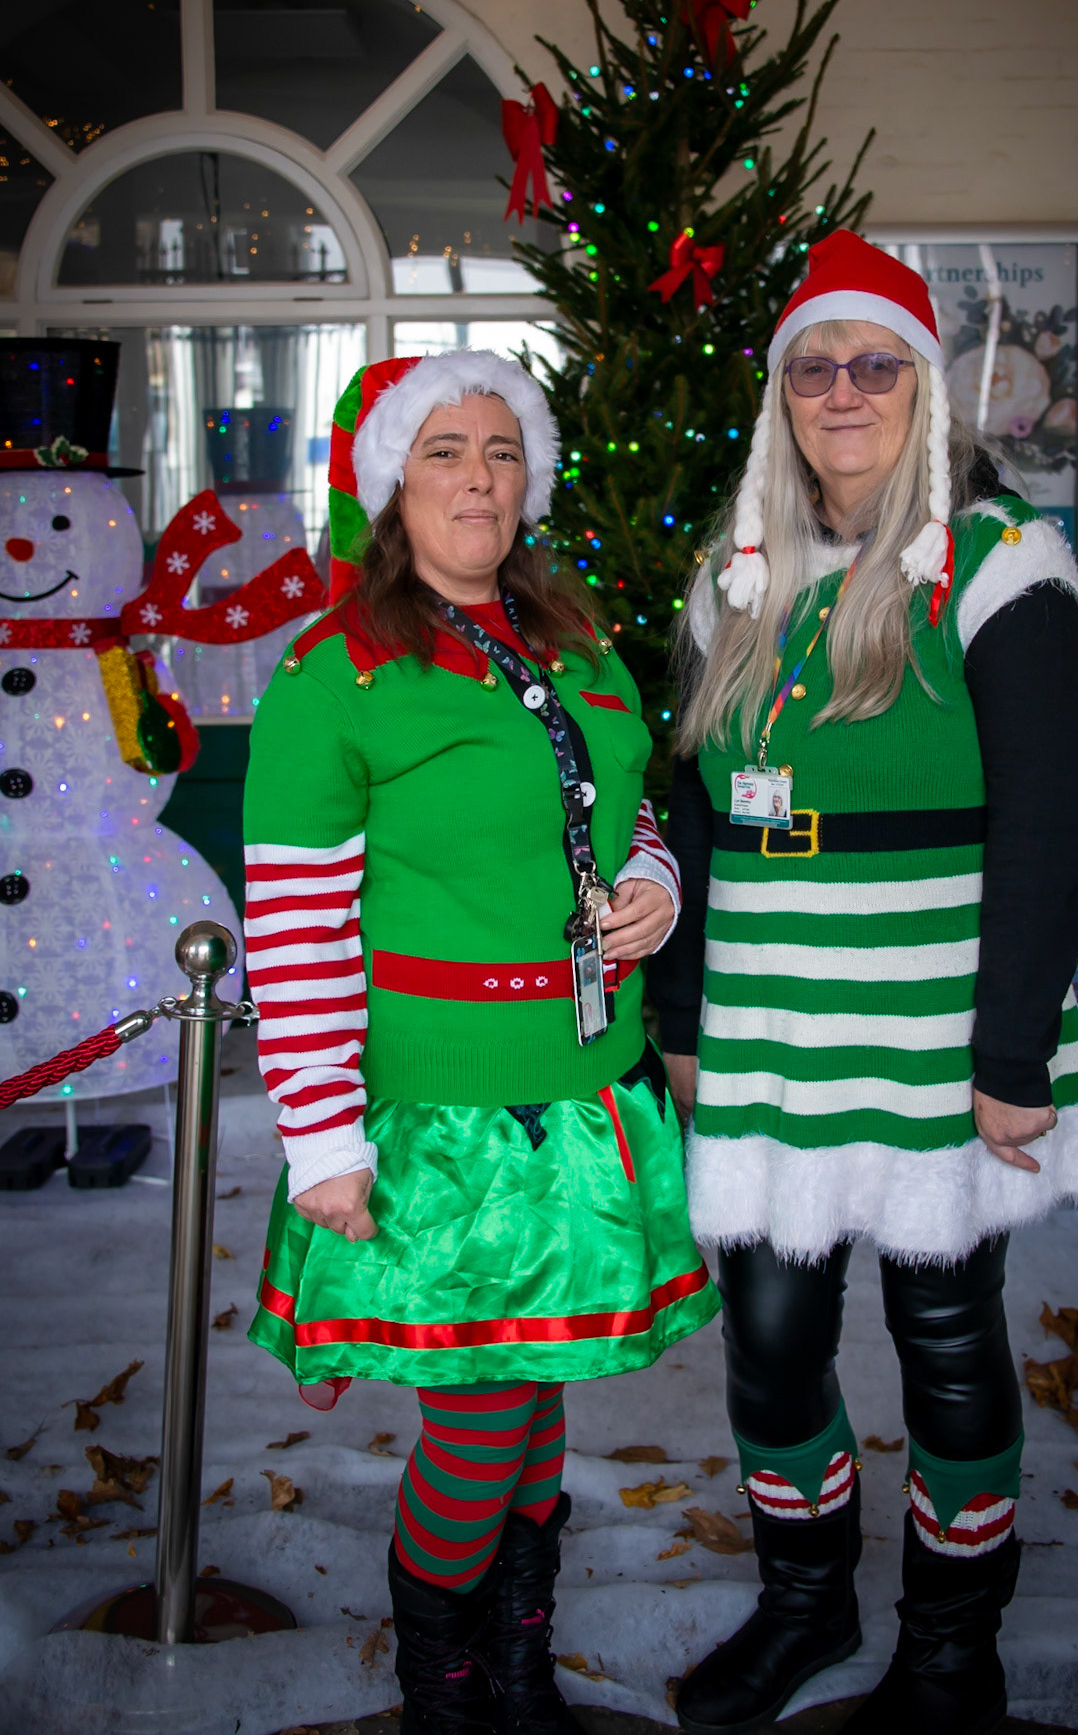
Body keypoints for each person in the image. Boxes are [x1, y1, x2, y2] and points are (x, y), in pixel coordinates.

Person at [646, 232, 1078, 1735]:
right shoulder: (739, 579)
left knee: (947, 1336)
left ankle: (948, 1648)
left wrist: (1010, 1056)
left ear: (925, 386)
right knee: (772, 1339)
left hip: (933, 1028)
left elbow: (1047, 829)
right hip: (771, 1030)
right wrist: (677, 1023)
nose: (841, 392)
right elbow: (703, 819)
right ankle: (805, 1605)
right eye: (813, 365)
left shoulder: (999, 568)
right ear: (781, 393)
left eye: (875, 363)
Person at [244, 350, 718, 1734]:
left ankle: (512, 1671)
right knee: (480, 1415)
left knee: (538, 1380)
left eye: (501, 451)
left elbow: (620, 805)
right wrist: (322, 1138)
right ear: (396, 478)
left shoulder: (569, 640)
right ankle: (444, 1693)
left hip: (583, 1094)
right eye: (445, 448)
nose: (477, 476)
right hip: (437, 1118)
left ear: (532, 480)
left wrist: (654, 885)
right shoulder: (337, 674)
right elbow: (292, 927)